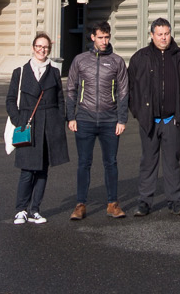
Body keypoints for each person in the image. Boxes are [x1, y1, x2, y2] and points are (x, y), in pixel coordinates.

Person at [127, 17, 180, 216]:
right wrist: (139, 113)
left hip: (172, 121)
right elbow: (130, 89)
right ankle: (144, 202)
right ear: (151, 35)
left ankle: (175, 201)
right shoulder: (140, 58)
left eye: (166, 34)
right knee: (148, 162)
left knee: (172, 162)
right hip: (149, 121)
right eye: (159, 34)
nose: (163, 38)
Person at [65, 21, 129, 220]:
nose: (104, 41)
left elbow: (124, 92)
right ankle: (80, 204)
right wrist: (71, 116)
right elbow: (71, 88)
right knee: (84, 162)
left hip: (110, 120)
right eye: (100, 37)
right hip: (84, 118)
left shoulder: (117, 61)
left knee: (111, 162)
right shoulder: (80, 60)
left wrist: (122, 119)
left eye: (107, 37)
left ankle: (112, 203)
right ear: (93, 37)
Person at [7, 32, 69, 224]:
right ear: (33, 48)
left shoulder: (54, 72)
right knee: (27, 170)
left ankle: (35, 209)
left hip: (49, 126)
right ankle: (21, 209)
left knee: (42, 170)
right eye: (39, 46)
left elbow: (60, 99)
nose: (42, 50)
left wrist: (59, 121)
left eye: (46, 48)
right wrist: (19, 120)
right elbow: (10, 100)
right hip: (28, 125)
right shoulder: (21, 72)